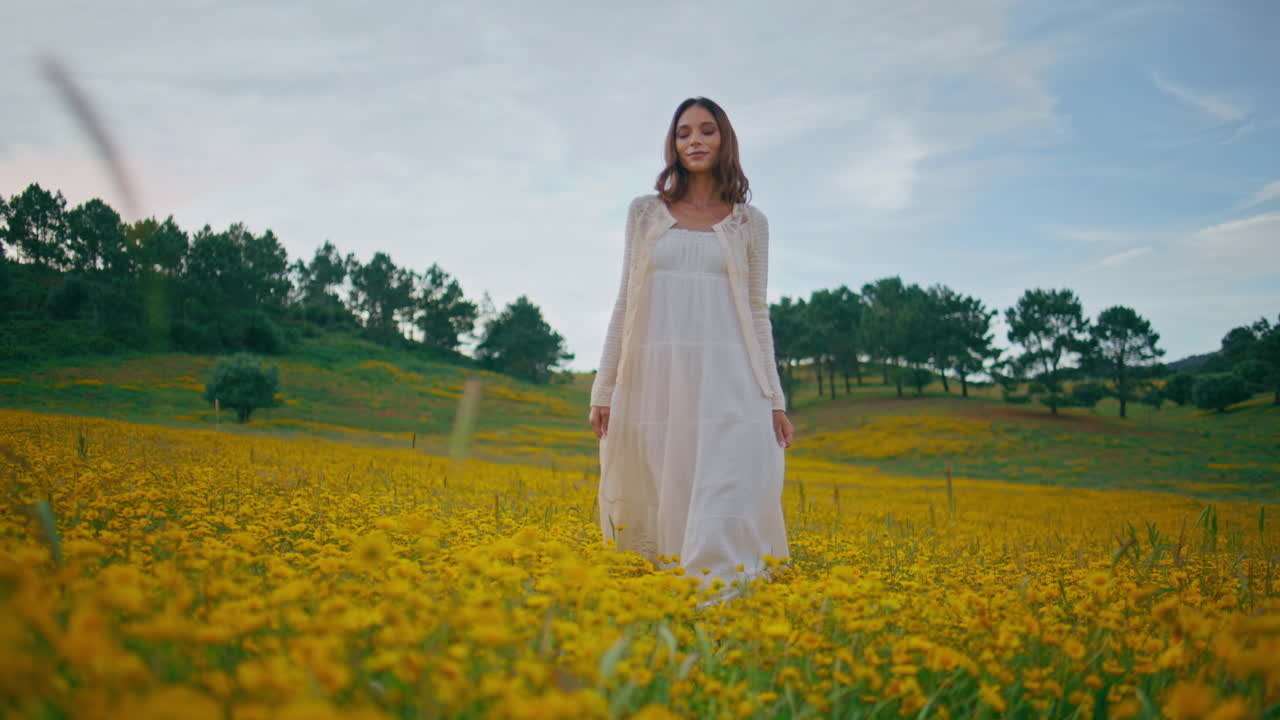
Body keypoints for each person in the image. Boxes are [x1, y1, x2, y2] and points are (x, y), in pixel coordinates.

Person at [588, 96, 793, 602]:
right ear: (673, 145)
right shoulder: (644, 214)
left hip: (730, 378)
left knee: (726, 484)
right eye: (683, 133)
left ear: (724, 139)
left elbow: (758, 312)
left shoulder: (751, 222)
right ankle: (665, 601)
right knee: (663, 489)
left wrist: (774, 397)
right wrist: (604, 385)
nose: (695, 141)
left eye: (706, 130)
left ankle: (715, 603)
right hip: (657, 376)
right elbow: (625, 299)